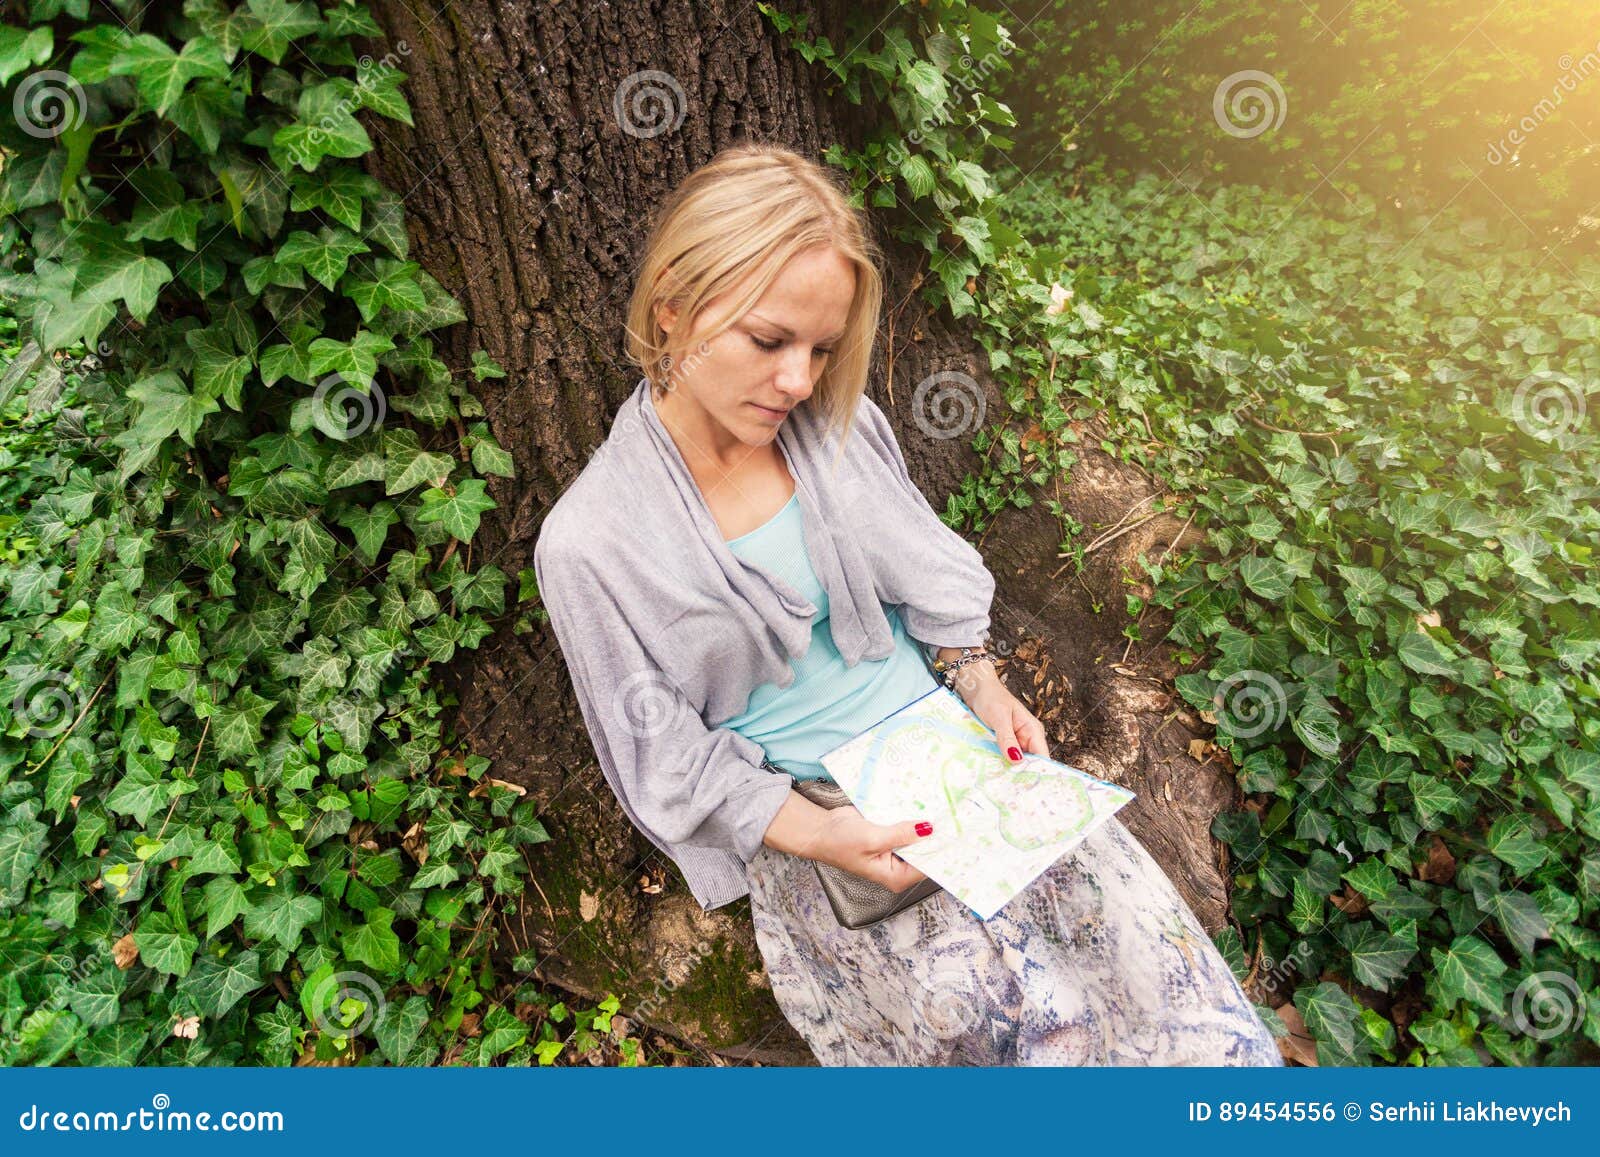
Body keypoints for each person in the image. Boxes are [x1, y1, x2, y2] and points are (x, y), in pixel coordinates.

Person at [533, 142, 1283, 1066]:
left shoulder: (836, 428)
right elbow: (663, 756)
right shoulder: (590, 543)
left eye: (820, 348)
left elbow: (929, 581)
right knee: (1010, 1050)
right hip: (836, 841)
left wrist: (983, 685)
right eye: (770, 341)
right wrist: (820, 833)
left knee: (1176, 1018)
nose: (800, 382)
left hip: (971, 780)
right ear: (672, 310)